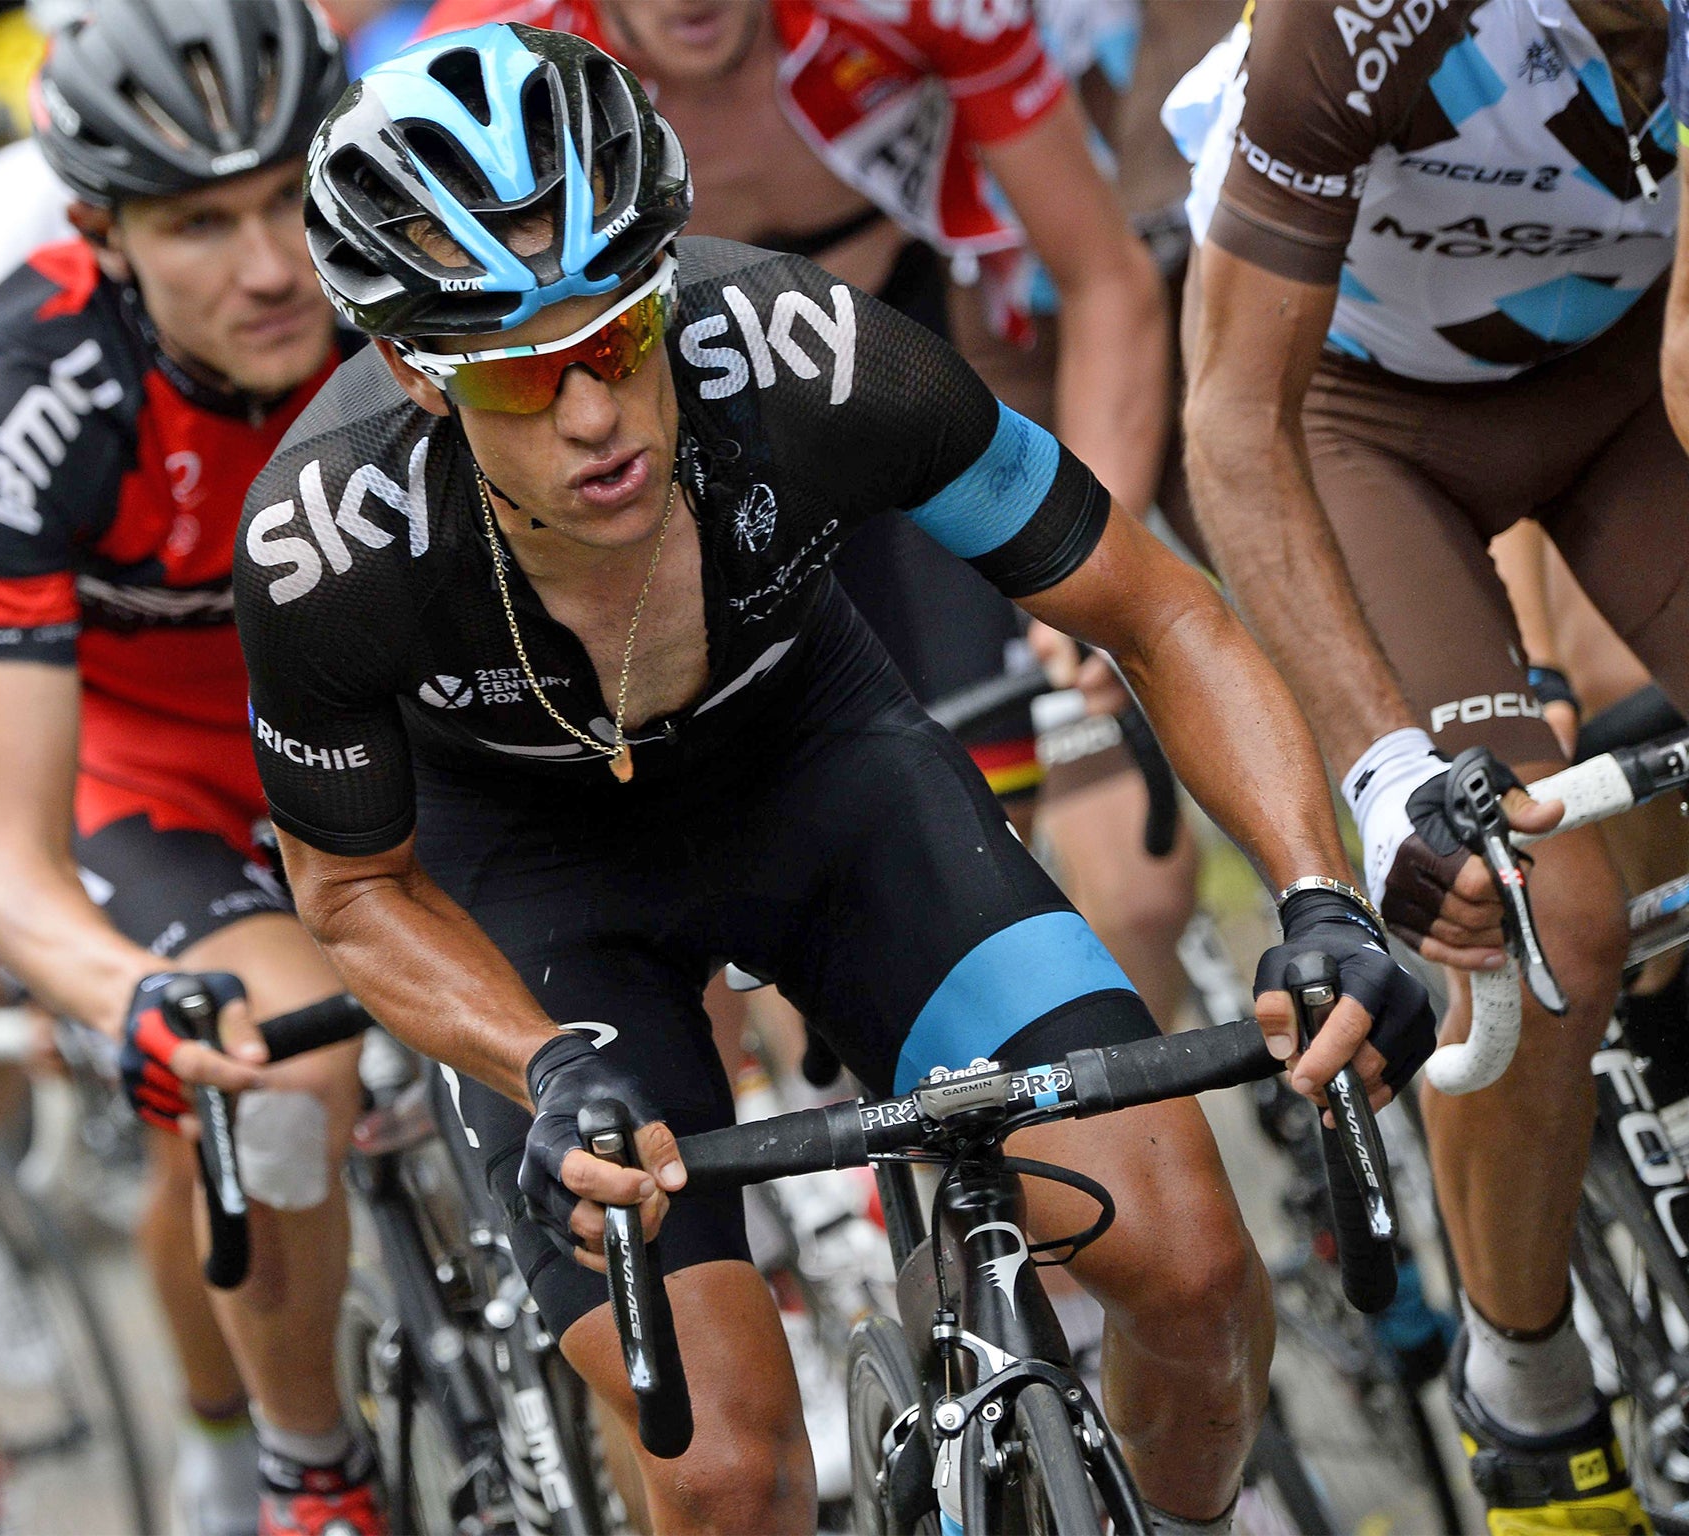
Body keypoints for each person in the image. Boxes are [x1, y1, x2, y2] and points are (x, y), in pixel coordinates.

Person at [240, 26, 1439, 1534]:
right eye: (520, 379)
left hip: (817, 770)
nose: (596, 414)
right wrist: (540, 1067)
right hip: (543, 885)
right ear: (415, 370)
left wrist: (1316, 891)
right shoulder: (325, 548)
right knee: (732, 1472)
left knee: (1196, 1269)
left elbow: (1159, 608)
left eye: (618, 335)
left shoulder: (810, 352)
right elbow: (347, 891)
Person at [413, 0, 1209, 1025]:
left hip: (916, 367)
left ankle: (1092, 1132)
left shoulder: (907, 12)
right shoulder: (494, 55)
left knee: (1128, 895)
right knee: (794, 927)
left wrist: (1082, 581)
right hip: (668, 441)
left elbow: (1103, 279)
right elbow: (440, 380)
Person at [1172, 0, 1686, 1527]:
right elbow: (1234, 427)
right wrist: (1388, 772)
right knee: (1542, 918)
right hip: (1358, 423)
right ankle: (1525, 1380)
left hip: (1622, 393)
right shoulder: (1361, 23)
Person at [0, 3, 380, 1533]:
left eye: (287, 200)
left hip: (406, 729)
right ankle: (302, 1465)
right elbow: (8, 864)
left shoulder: (418, 263)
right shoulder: (27, 398)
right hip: (165, 783)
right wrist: (128, 999)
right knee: (284, 1077)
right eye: (200, 223)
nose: (271, 267)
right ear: (105, 235)